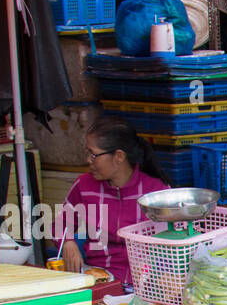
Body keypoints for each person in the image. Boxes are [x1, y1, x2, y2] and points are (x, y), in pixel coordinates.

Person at [55, 117, 169, 286]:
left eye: (93, 154)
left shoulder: (157, 193)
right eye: (87, 153)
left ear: (119, 156)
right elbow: (60, 224)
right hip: (100, 280)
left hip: (150, 285)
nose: (88, 160)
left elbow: (177, 242)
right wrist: (68, 242)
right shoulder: (84, 186)